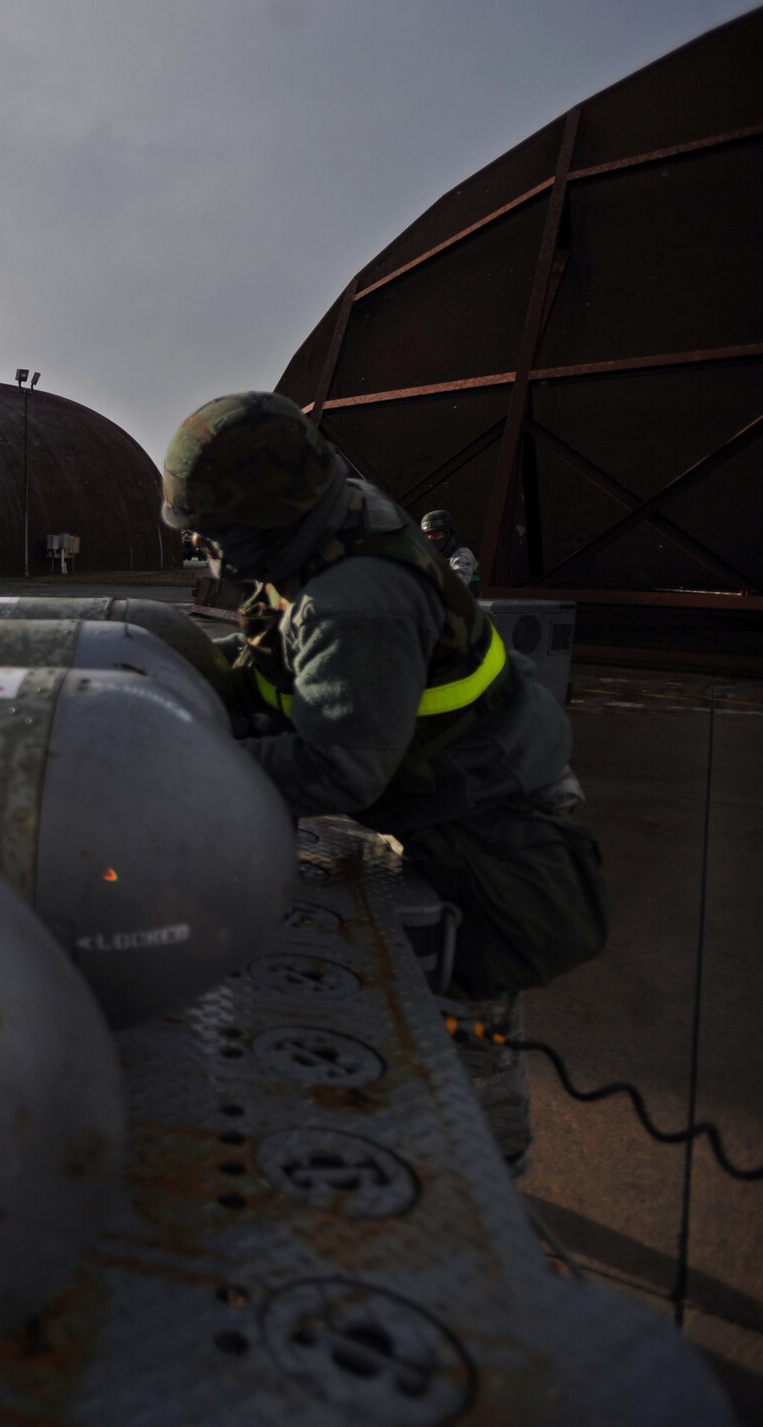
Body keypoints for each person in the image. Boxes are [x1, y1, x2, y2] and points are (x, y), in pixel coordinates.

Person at [160, 392, 608, 1172]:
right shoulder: (324, 528)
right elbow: (278, 682)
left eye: (212, 530)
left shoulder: (352, 602)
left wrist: (177, 764)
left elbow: (338, 768)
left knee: (468, 1039)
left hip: (491, 830)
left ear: (267, 519)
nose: (201, 547)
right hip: (446, 792)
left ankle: (490, 1210)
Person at [421, 509, 480, 588]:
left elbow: (456, 584)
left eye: (436, 534)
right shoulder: (425, 557)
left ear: (449, 535)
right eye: (427, 535)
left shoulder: (462, 554)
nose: (431, 539)